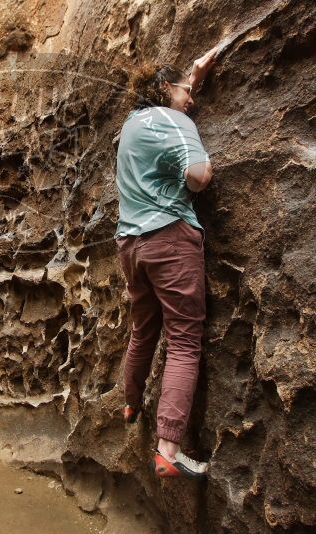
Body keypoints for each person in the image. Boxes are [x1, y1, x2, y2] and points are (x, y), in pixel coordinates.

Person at [114, 48, 218, 480]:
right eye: (185, 92)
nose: (190, 100)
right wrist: (203, 164)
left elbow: (171, 102)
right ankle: (169, 449)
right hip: (169, 239)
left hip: (131, 244)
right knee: (184, 339)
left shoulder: (129, 127)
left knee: (144, 328)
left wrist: (192, 76)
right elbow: (198, 176)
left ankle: (131, 403)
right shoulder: (176, 120)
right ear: (164, 90)